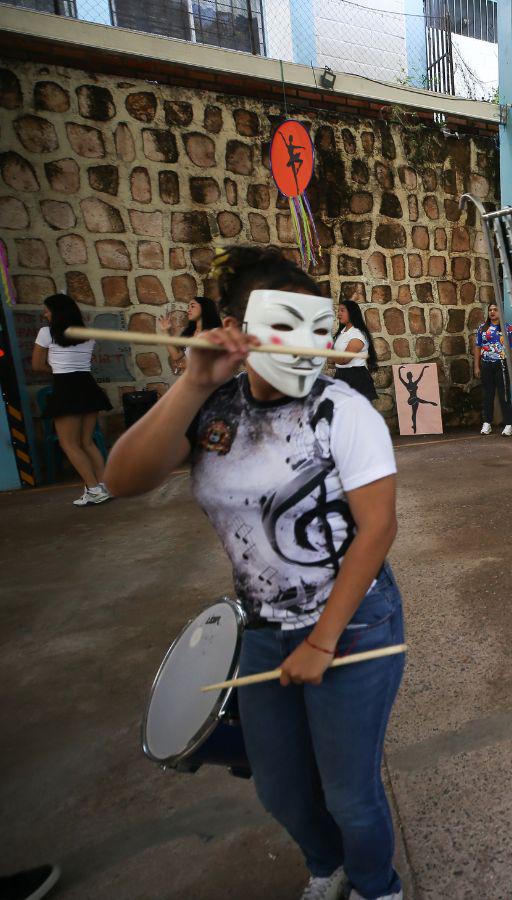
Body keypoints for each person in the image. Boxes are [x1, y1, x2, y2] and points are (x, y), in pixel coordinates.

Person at [103, 246, 405, 900]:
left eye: (314, 325)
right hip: (263, 628)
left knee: (350, 791)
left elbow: (377, 528)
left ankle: (379, 887)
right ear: (236, 327)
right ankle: (328, 867)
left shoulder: (343, 408)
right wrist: (192, 382)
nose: (304, 344)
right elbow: (121, 479)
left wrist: (324, 640)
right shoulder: (212, 409)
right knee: (280, 787)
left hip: (354, 625)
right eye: (282, 323)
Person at [32, 294, 113, 507]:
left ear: (57, 312)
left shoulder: (46, 333)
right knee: (87, 442)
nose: (45, 314)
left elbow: (37, 365)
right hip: (88, 386)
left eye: (47, 310)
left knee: (70, 444)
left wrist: (56, 368)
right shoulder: (87, 333)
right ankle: (103, 486)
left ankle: (93, 489)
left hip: (65, 387)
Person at [474, 302, 512, 436]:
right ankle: (487, 423)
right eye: (490, 310)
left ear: (500, 312)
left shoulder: (508, 328)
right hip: (486, 365)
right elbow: (477, 347)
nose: (492, 312)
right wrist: (476, 366)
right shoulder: (482, 328)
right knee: (488, 395)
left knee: (504, 395)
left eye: (495, 310)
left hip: (502, 365)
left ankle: (508, 424)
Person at [156, 297, 221, 376]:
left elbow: (214, 362)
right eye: (188, 307)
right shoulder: (191, 333)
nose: (188, 310)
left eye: (192, 306)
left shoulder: (214, 333)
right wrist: (165, 331)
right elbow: (176, 356)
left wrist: (187, 365)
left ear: (204, 308)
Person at [332, 299, 378, 401]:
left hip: (356, 377)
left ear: (351, 312)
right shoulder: (342, 332)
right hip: (341, 375)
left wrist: (326, 353)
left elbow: (344, 360)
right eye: (338, 311)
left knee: (358, 414)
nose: (338, 314)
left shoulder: (357, 334)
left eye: (342, 310)